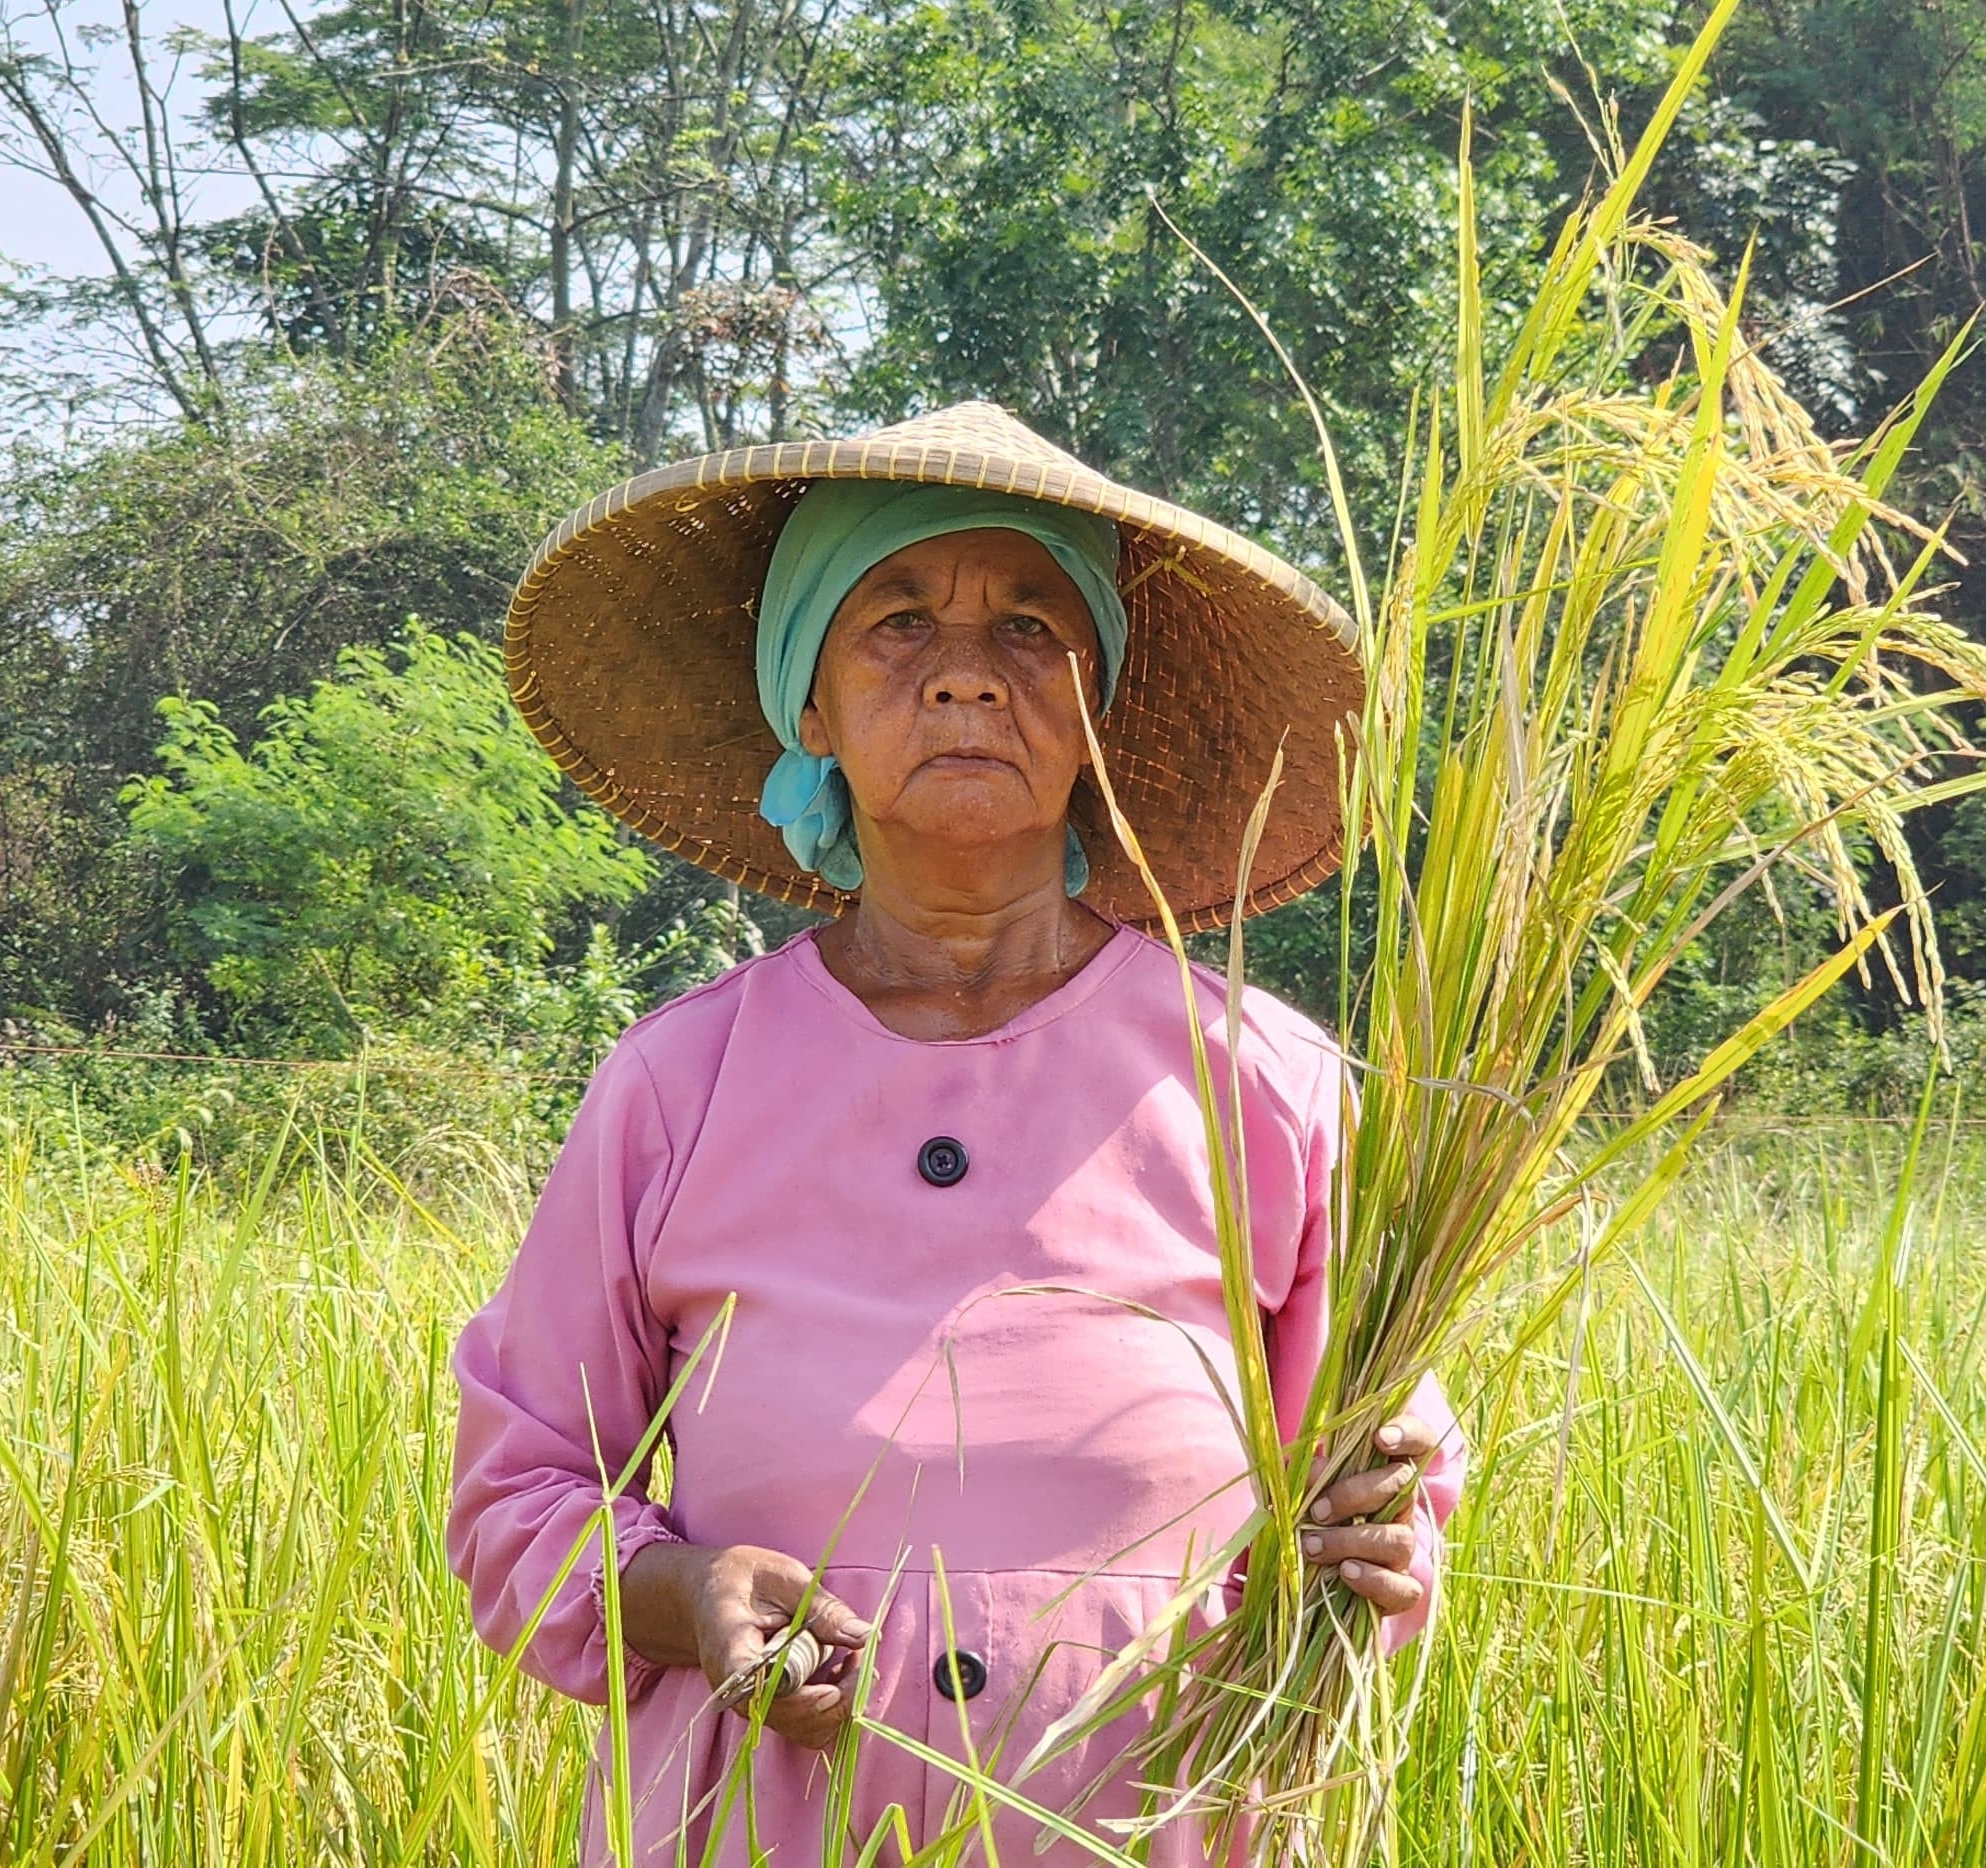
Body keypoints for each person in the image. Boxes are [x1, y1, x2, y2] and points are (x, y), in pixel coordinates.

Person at [449, 404, 1465, 1863]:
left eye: (1033, 631)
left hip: (1148, 1824)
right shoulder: (680, 1083)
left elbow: (1386, 1471)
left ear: (1098, 706)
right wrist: (682, 1594)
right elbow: (518, 1495)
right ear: (809, 704)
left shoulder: (1269, 1082)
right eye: (899, 624)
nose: (968, 679)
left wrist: (1363, 1536)